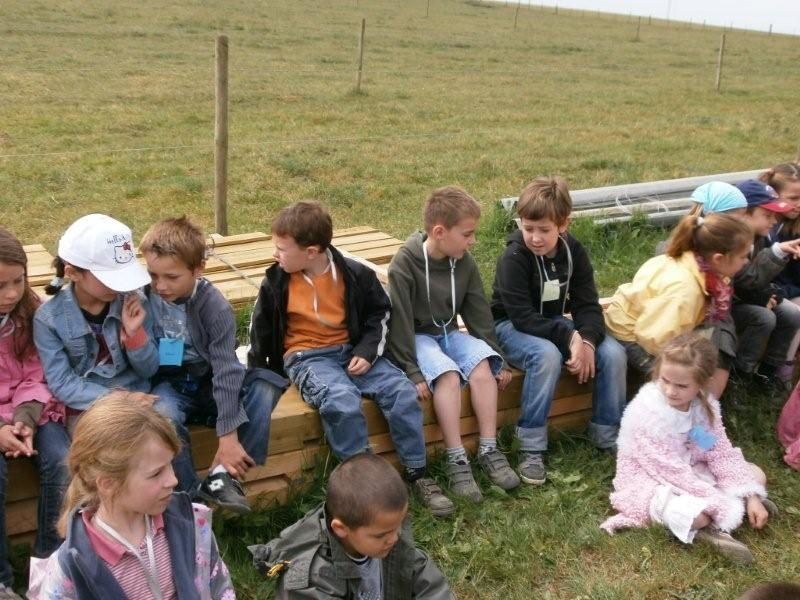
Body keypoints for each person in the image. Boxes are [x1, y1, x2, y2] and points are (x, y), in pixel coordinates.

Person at [248, 201, 454, 517]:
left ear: (312, 252)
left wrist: (367, 352)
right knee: (341, 400)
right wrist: (260, 372)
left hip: (353, 352)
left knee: (401, 392)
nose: (276, 255)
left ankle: (417, 472)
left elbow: (380, 313)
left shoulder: (354, 274)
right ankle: (366, 488)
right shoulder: (276, 281)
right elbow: (259, 329)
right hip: (307, 357)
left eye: (282, 249)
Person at [140, 217, 285, 514]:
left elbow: (225, 369)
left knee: (266, 385)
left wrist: (228, 435)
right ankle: (191, 497)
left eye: (171, 277)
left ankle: (223, 475)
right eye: (153, 275)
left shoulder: (214, 306)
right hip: (171, 383)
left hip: (209, 381)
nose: (161, 285)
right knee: (163, 416)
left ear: (198, 270)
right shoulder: (143, 296)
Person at [27, 394, 235, 599]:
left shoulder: (191, 524)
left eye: (170, 464)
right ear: (108, 484)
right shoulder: (71, 569)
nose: (173, 480)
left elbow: (219, 589)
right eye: (156, 473)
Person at [387, 186, 520, 503]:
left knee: (482, 366)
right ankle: (456, 459)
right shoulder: (403, 265)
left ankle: (488, 448)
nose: (473, 241)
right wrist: (412, 370)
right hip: (417, 337)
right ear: (439, 231)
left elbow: (478, 313)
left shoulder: (464, 262)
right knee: (446, 375)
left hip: (448, 331)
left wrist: (495, 354)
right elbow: (399, 323)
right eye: (468, 234)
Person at [491, 177, 626, 484]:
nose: (535, 238)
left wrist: (588, 341)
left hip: (552, 324)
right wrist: (569, 337)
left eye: (544, 230)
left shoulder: (573, 252)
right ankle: (531, 445)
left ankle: (607, 434)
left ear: (564, 224)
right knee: (547, 356)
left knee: (614, 353)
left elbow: (588, 305)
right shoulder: (513, 258)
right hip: (510, 326)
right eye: (528, 229)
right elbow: (522, 316)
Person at [601, 334, 776, 565]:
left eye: (682, 385)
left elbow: (718, 451)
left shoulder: (702, 408)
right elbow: (667, 471)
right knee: (696, 514)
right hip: (653, 480)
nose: (671, 391)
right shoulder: (648, 414)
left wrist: (749, 494)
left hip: (692, 470)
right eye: (665, 381)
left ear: (701, 384)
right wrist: (719, 502)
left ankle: (742, 505)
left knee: (756, 476)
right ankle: (710, 531)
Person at [249, 453, 452, 599]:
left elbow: (429, 584)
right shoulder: (313, 577)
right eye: (382, 535)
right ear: (341, 529)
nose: (395, 538)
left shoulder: (386, 536)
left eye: (399, 526)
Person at [604, 212, 753, 399]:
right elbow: (653, 338)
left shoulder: (689, 261)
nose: (746, 262)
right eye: (743, 256)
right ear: (718, 258)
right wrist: (683, 363)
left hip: (649, 328)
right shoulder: (685, 289)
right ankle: (658, 418)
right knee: (676, 384)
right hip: (630, 336)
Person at [33, 214, 159, 431]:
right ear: (72, 273)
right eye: (109, 278)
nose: (120, 286)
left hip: (141, 397)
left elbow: (149, 370)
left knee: (166, 432)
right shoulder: (48, 320)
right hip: (87, 406)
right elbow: (62, 383)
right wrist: (121, 400)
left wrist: (135, 335)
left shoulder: (135, 302)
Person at [0, 229, 69, 600]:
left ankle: (50, 567)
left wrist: (25, 419)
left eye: (18, 281)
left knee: (62, 460)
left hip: (37, 411)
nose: (11, 293)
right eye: (0, 286)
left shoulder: (33, 311)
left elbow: (39, 371)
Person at [730, 180, 800, 389]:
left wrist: (771, 291)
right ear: (744, 213)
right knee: (764, 318)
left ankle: (769, 373)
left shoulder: (759, 236)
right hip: (731, 305)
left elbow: (758, 279)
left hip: (748, 297)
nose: (774, 221)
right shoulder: (731, 240)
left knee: (791, 313)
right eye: (768, 215)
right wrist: (777, 253)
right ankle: (740, 375)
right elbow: (739, 279)